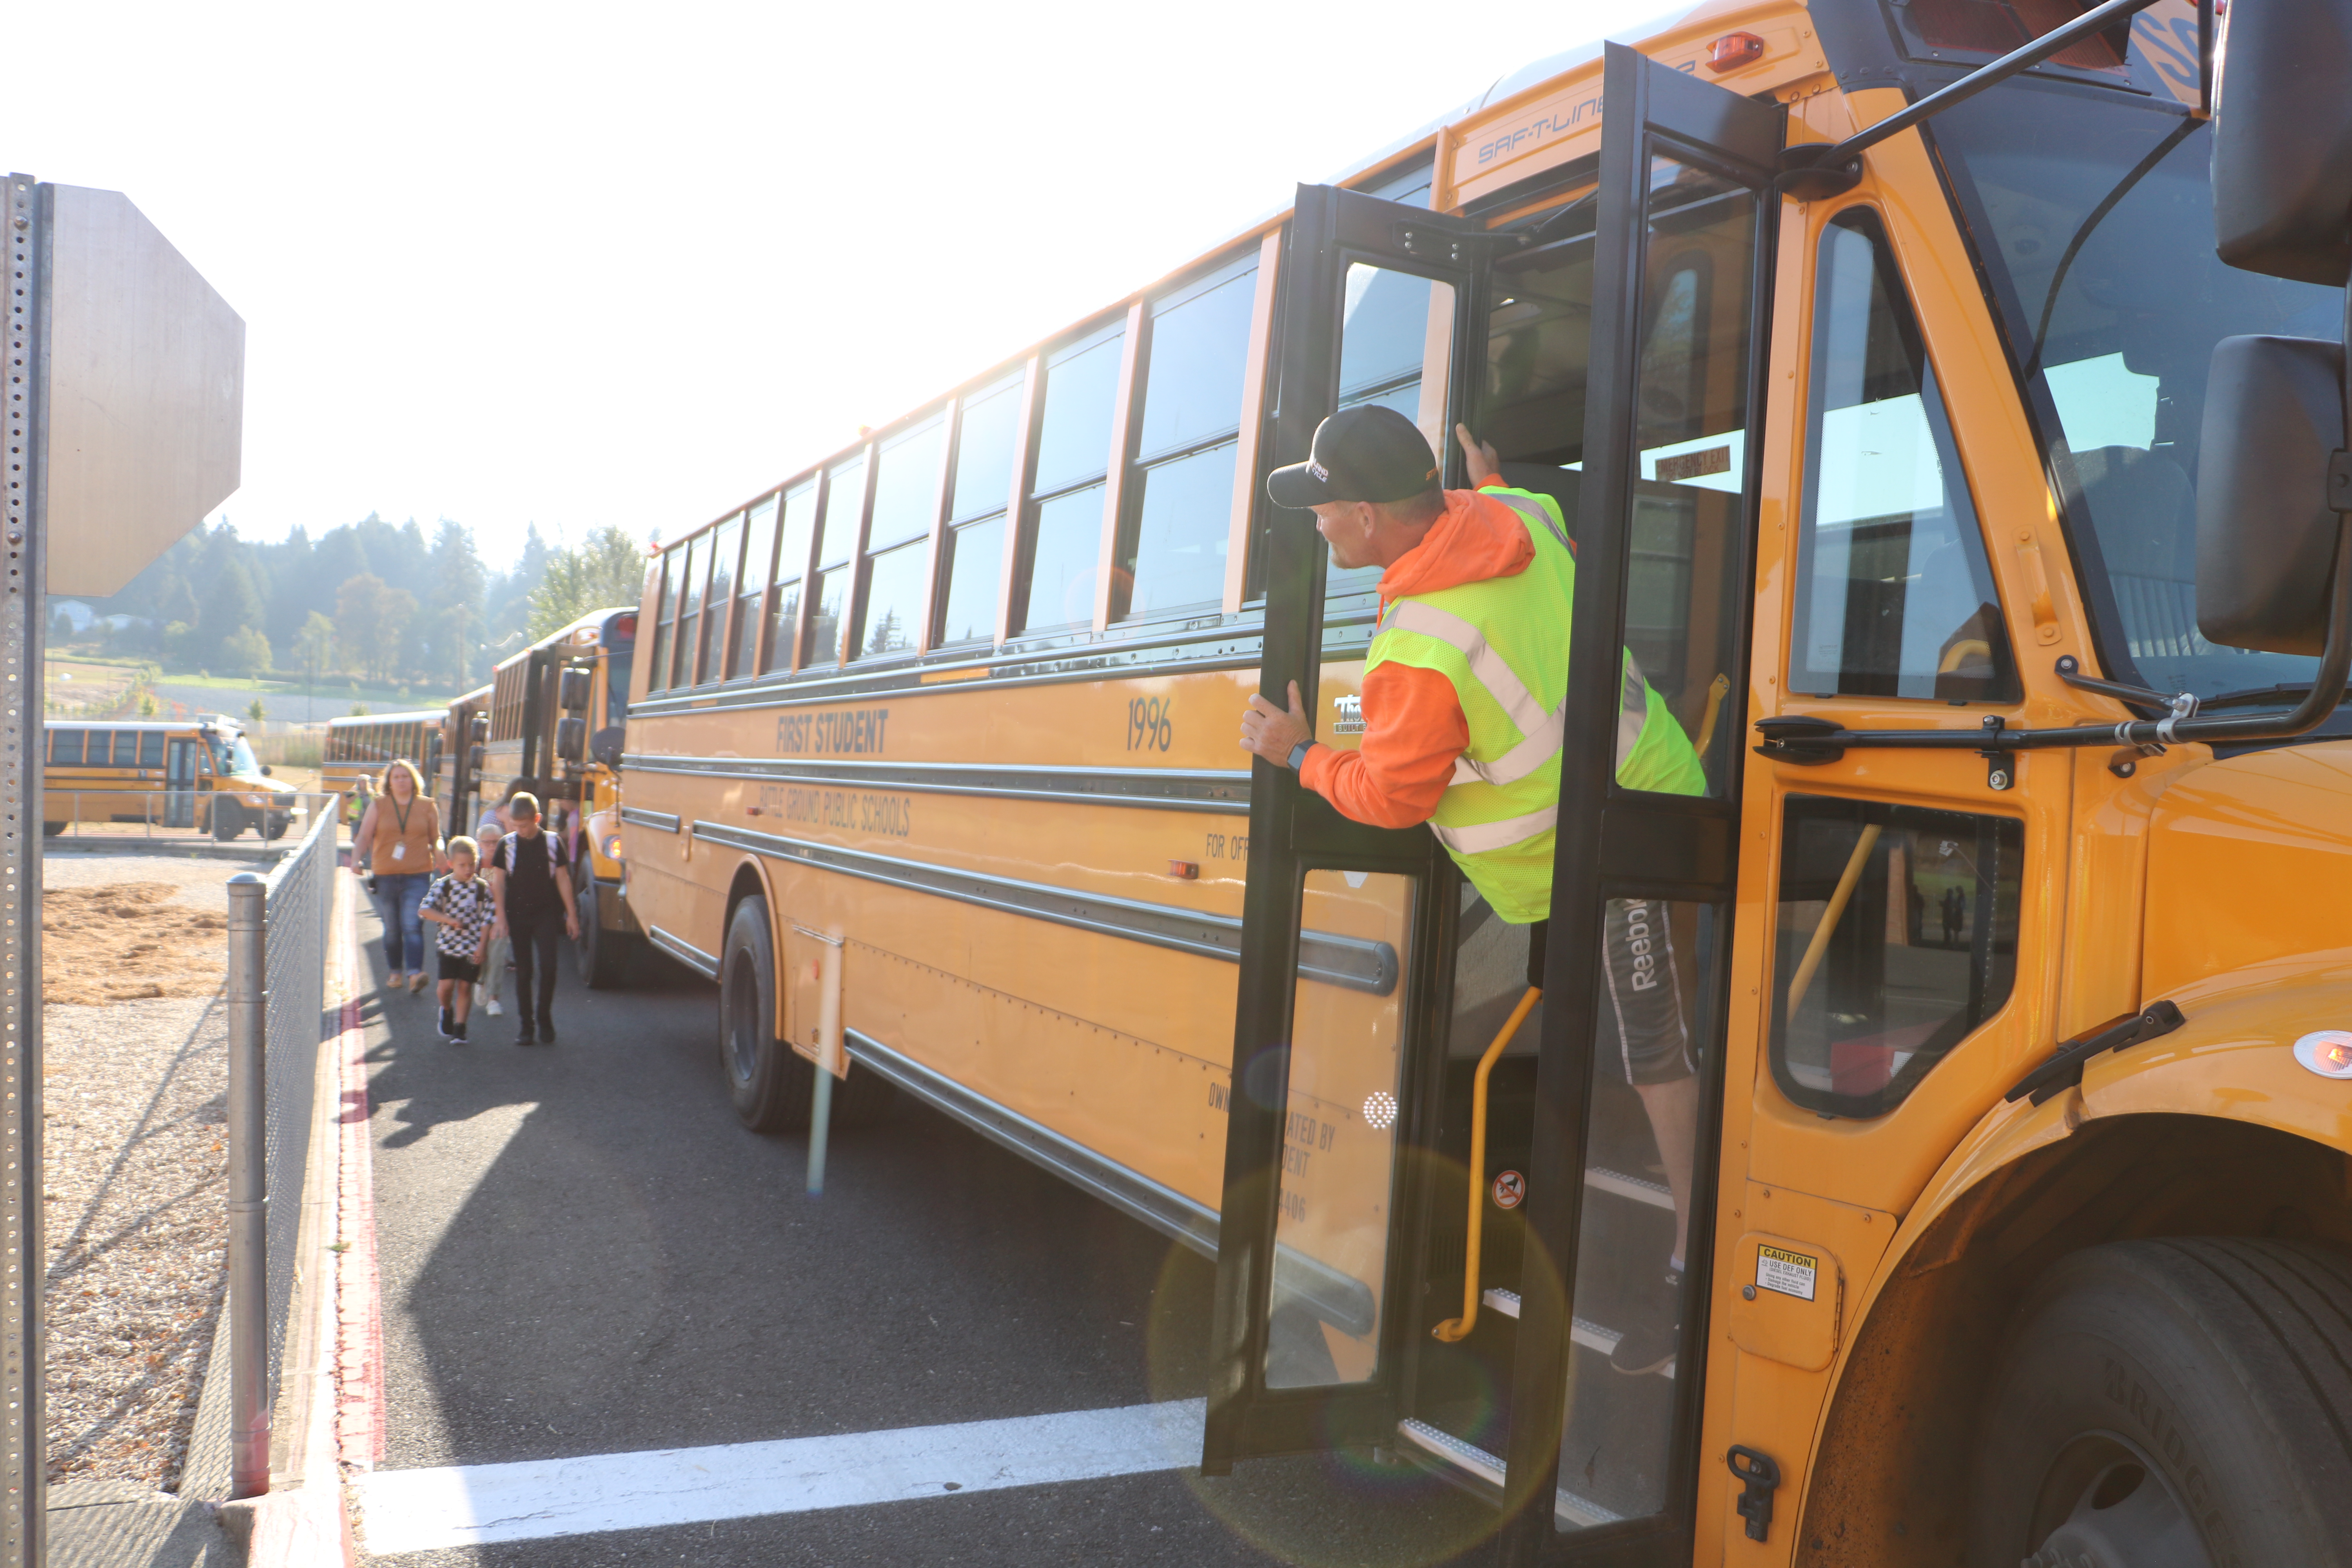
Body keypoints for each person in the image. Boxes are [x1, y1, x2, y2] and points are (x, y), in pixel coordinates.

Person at [1237, 405, 1707, 1376]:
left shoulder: (1419, 651)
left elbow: (1393, 798)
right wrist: (1482, 481)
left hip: (1621, 849)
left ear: (1368, 517)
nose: (1316, 524)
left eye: (1324, 508)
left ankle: (1689, 1261)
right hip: (1638, 792)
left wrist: (1301, 755)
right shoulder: (1522, 513)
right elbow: (1516, 522)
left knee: (1656, 1046)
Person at [486, 791, 579, 1045]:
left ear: (537, 819)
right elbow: (500, 882)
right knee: (524, 971)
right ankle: (526, 1026)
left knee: (549, 967)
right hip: (518, 916)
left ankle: (544, 1017)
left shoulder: (551, 843)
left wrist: (572, 915)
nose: (520, 831)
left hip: (546, 915)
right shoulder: (508, 844)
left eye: (524, 826)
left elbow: (563, 879)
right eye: (515, 826)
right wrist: (501, 917)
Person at [352, 760, 443, 995]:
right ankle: (395, 972)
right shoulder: (379, 805)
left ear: (413, 780)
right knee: (392, 927)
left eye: (405, 776)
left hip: (419, 874)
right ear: (389, 783)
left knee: (412, 924)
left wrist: (441, 852)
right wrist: (355, 859)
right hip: (386, 874)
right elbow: (364, 835)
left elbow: (436, 837)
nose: (401, 780)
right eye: (396, 777)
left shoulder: (427, 805)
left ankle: (414, 974)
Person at [418, 836, 495, 1044]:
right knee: (446, 988)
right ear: (451, 864)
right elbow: (425, 910)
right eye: (462, 865)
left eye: (472, 864)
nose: (468, 869)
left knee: (465, 987)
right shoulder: (443, 886)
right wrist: (448, 920)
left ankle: (460, 1029)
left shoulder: (482, 888)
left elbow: (488, 918)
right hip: (448, 945)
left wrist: (482, 946)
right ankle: (447, 1009)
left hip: (472, 947)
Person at [470, 784, 523, 1018]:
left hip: (500, 916)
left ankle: (494, 999)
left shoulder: (509, 864)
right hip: (478, 919)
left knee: (498, 955)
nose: (492, 846)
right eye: (487, 843)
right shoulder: (473, 866)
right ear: (479, 844)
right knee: (481, 955)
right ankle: (480, 981)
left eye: (496, 842)